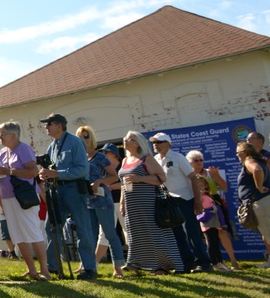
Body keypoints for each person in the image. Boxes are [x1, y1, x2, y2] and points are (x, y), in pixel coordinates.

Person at [37, 113, 98, 280]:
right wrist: (45, 174)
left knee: (83, 228)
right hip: (57, 190)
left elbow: (82, 170)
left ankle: (89, 268)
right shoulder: (53, 146)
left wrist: (57, 173)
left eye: (49, 124)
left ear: (58, 125)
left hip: (74, 190)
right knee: (52, 227)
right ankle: (53, 265)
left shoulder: (75, 142)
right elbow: (51, 166)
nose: (46, 127)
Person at [119, 130, 182, 273]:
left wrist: (140, 179)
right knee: (135, 232)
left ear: (137, 143)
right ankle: (136, 262)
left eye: (128, 139)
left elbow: (162, 177)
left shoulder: (146, 159)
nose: (124, 140)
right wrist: (122, 202)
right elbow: (123, 183)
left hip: (148, 203)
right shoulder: (125, 160)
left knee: (155, 233)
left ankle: (165, 265)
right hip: (131, 203)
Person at [150, 132, 212, 273]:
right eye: (154, 142)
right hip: (169, 201)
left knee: (193, 232)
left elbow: (193, 178)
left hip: (185, 199)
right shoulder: (156, 159)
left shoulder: (178, 158)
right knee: (177, 233)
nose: (155, 145)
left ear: (168, 144)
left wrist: (197, 201)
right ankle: (186, 262)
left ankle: (204, 262)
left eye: (159, 142)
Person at [0, 121, 47, 280]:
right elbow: (5, 172)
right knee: (17, 235)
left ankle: (45, 270)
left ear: (13, 135)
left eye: (2, 133)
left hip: (24, 196)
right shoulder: (3, 152)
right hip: (7, 196)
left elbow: (32, 172)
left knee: (32, 231)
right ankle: (31, 270)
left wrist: (9, 171)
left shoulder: (24, 149)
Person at [76, 125, 125, 278]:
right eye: (80, 137)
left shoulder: (101, 157)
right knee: (89, 235)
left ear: (91, 138)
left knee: (110, 233)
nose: (84, 140)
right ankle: (89, 266)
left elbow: (114, 177)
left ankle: (118, 268)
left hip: (103, 200)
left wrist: (99, 182)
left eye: (86, 136)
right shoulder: (79, 158)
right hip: (87, 201)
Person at [187, 149, 237, 271]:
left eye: (201, 160)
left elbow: (224, 187)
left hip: (214, 203)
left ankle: (233, 261)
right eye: (195, 160)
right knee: (207, 235)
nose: (199, 163)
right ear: (189, 163)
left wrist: (216, 176)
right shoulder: (188, 175)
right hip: (196, 205)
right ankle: (213, 261)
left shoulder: (210, 172)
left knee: (222, 232)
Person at [236, 141, 270, 268]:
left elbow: (257, 170)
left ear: (245, 152)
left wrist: (259, 187)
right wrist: (268, 187)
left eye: (238, 153)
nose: (237, 156)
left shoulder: (249, 161)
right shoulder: (262, 162)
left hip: (261, 201)